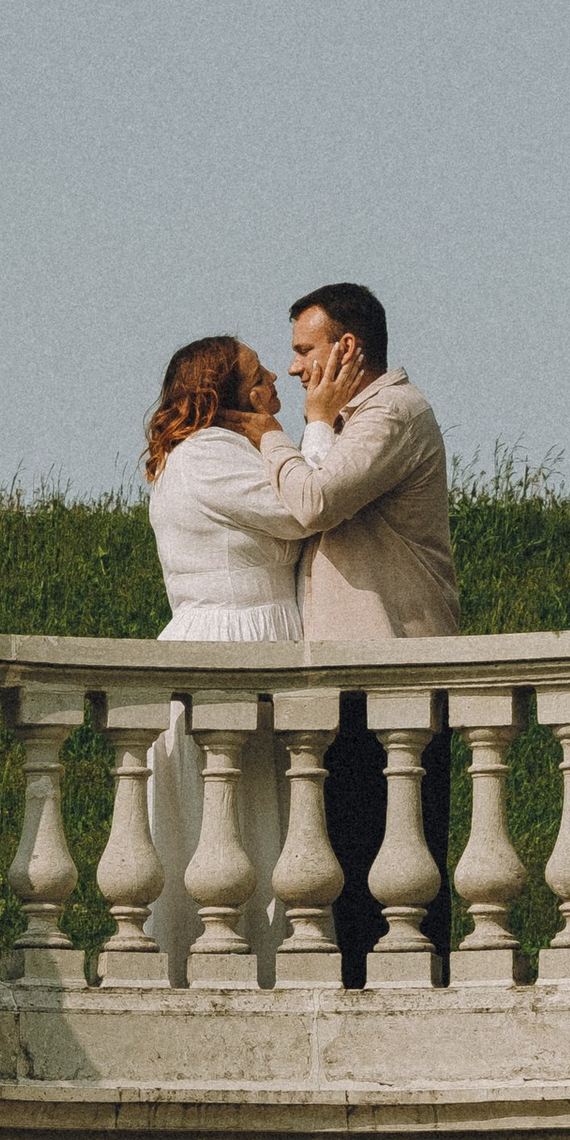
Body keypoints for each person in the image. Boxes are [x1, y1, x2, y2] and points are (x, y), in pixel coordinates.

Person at [240, 282, 457, 972]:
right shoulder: (353, 420)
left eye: (305, 350)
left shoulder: (392, 413)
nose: (294, 367)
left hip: (393, 672)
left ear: (347, 348)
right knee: (354, 868)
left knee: (400, 878)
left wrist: (275, 431)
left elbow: (314, 501)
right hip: (353, 677)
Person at [142, 332, 299, 978]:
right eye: (258, 377)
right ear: (223, 395)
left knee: (256, 822)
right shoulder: (210, 454)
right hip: (233, 638)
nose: (275, 383)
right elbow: (301, 509)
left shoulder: (213, 452)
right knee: (238, 821)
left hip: (244, 629)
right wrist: (309, 430)